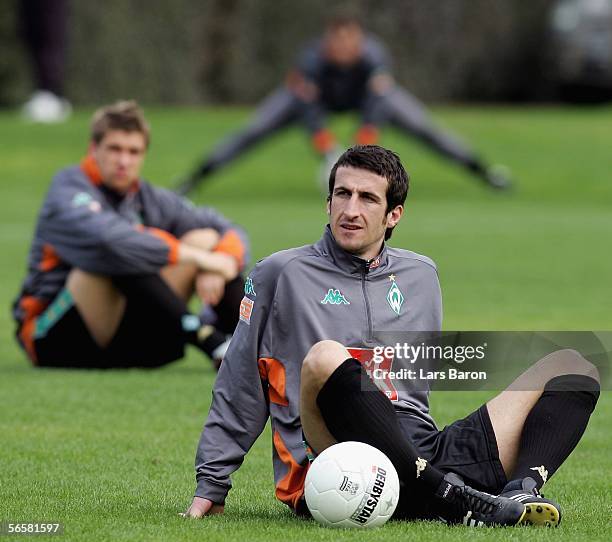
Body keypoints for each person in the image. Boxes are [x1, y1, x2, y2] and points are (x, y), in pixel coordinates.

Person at [183, 145, 600, 526]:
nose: (350, 209)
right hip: (334, 461)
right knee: (326, 357)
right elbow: (239, 382)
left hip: (420, 454)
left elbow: (413, 390)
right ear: (327, 203)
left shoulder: (421, 274)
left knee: (573, 364)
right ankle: (453, 498)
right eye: (342, 194)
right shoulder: (281, 273)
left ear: (393, 214)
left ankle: (518, 493)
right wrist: (212, 484)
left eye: (367, 198)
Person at [13, 100, 249, 369]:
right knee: (119, 249)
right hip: (54, 339)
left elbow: (229, 229)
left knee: (206, 238)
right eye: (114, 149)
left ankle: (252, 344)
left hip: (125, 339)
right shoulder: (67, 189)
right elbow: (108, 239)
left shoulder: (148, 197)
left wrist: (220, 263)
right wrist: (198, 259)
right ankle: (212, 342)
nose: (124, 161)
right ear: (94, 149)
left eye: (134, 151)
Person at [176, 15, 510, 195]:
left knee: (424, 126)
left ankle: (485, 172)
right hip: (312, 103)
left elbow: (378, 100)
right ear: (328, 42)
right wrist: (326, 148)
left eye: (349, 41)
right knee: (254, 128)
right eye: (336, 42)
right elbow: (306, 107)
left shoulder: (373, 56)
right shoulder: (311, 58)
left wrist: (362, 144)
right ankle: (196, 177)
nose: (343, 48)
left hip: (365, 101)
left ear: (358, 41)